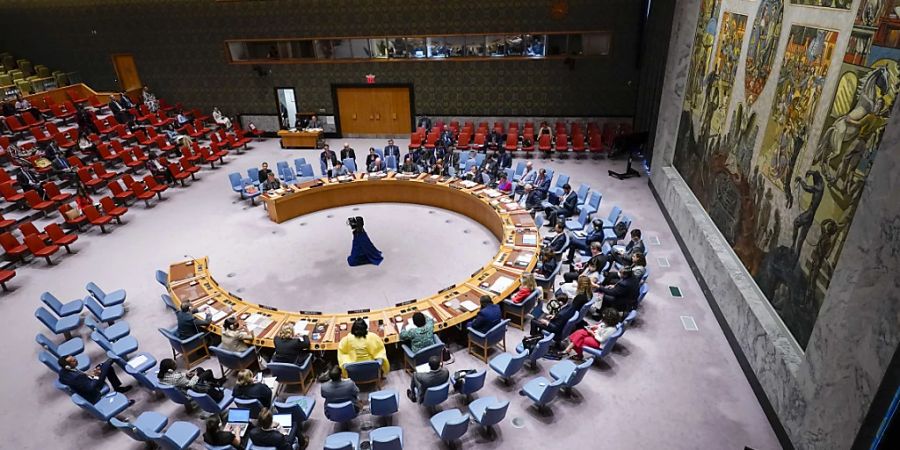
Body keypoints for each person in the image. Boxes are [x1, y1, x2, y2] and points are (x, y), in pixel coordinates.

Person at [57, 355, 133, 404]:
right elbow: (90, 387)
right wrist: (96, 376)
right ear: (68, 366)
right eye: (73, 361)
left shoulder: (63, 372)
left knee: (106, 367)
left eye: (74, 358)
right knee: (108, 363)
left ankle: (118, 388)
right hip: (94, 388)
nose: (76, 360)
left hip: (88, 380)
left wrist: (89, 375)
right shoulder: (76, 377)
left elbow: (78, 378)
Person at [157, 358, 223, 394]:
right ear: (170, 369)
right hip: (191, 387)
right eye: (174, 364)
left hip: (182, 383)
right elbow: (190, 384)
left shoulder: (162, 374)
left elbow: (176, 377)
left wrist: (186, 374)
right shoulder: (177, 378)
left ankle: (215, 383)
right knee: (208, 372)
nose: (176, 364)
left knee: (199, 369)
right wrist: (195, 376)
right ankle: (215, 384)